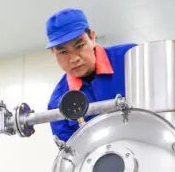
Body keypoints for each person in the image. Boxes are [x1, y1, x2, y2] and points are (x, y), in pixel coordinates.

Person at [45, 8, 136, 142]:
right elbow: (73, 152)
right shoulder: (57, 103)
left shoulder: (131, 58)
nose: (74, 59)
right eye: (63, 52)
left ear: (92, 38)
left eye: (79, 46)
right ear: (53, 53)